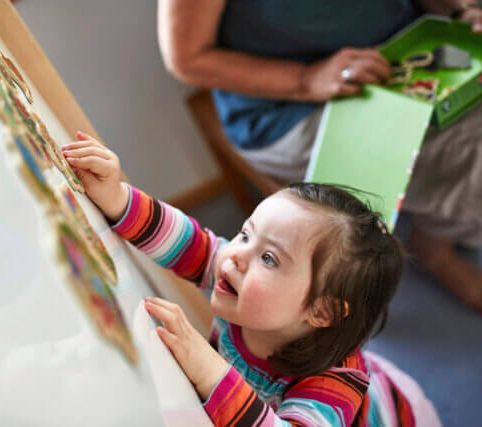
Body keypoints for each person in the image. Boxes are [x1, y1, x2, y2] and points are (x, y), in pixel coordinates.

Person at [62, 132, 440, 426]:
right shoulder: (238, 278)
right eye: (246, 233)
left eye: (270, 258)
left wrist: (209, 369)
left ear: (322, 310)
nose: (237, 254)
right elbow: (188, 241)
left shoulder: (336, 383)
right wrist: (116, 197)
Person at [157, 0, 482, 311]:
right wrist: (306, 79)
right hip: (289, 103)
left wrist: (460, 10)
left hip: (407, 42)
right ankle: (437, 250)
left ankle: (436, 240)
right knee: (466, 164)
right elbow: (186, 58)